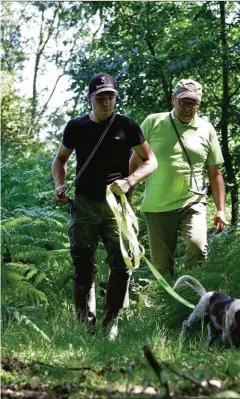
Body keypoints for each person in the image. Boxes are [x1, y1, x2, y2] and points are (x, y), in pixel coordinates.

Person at [52, 73, 158, 335]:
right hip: (84, 203)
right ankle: (85, 327)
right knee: (83, 265)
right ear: (90, 98)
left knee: (122, 265)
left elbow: (151, 161)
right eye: (101, 97)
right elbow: (60, 161)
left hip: (117, 206)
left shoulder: (127, 125)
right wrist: (58, 185)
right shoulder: (75, 126)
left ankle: (111, 324)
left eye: (110, 97)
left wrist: (130, 181)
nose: (106, 102)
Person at [130, 79, 227, 278]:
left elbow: (215, 173)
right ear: (173, 99)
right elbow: (134, 163)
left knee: (198, 249)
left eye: (193, 103)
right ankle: (168, 307)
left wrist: (220, 210)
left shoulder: (206, 129)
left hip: (193, 202)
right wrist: (127, 198)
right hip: (157, 206)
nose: (188, 108)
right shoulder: (153, 122)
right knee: (162, 267)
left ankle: (193, 300)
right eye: (183, 102)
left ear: (199, 104)